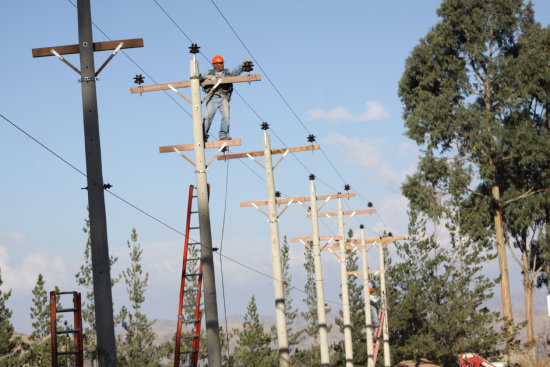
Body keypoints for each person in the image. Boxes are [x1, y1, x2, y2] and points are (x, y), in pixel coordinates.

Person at [201, 55, 251, 141]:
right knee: (208, 117)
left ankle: (223, 136)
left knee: (226, 116)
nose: (221, 65)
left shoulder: (227, 72)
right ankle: (203, 136)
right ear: (214, 65)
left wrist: (242, 66)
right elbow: (198, 77)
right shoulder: (209, 73)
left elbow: (236, 71)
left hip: (223, 97)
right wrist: (208, 77)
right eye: (219, 63)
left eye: (222, 63)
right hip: (212, 96)